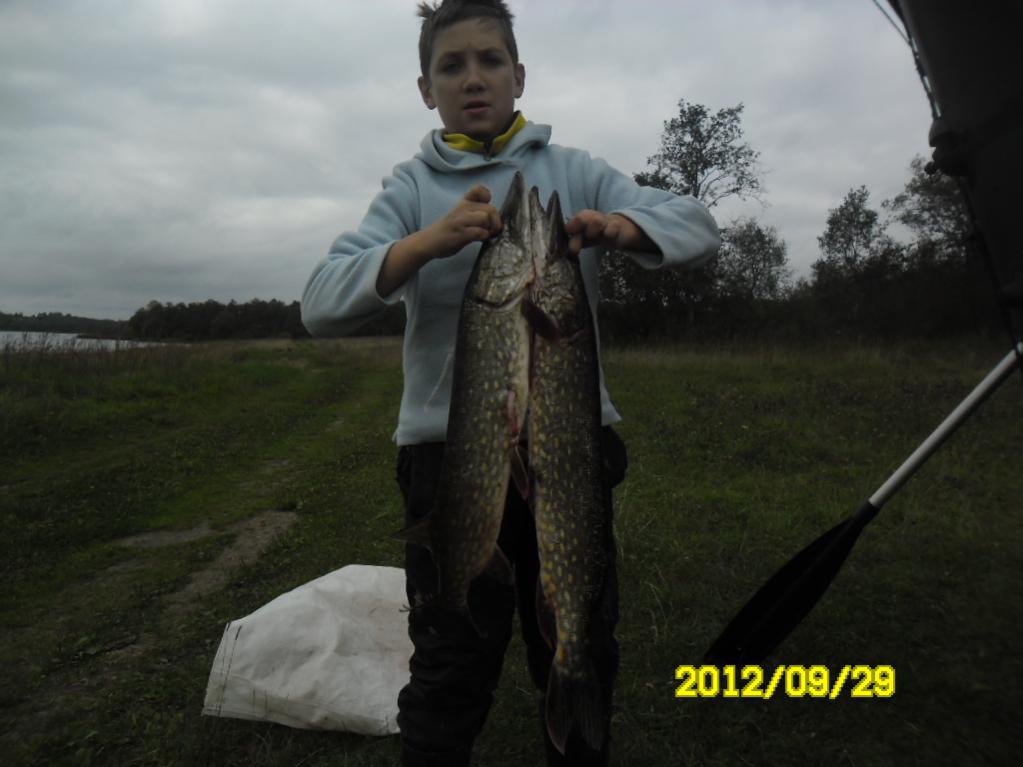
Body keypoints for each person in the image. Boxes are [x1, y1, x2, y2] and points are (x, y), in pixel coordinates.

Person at [300, 1, 720, 763]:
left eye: (489, 60)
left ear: (518, 75)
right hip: (450, 459)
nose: (473, 78)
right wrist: (422, 243)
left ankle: (576, 724)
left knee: (579, 633)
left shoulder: (575, 170)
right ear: (425, 89)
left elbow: (696, 224)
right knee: (451, 658)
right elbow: (320, 303)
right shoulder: (410, 187)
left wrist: (623, 227)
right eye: (451, 65)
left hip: (570, 454)